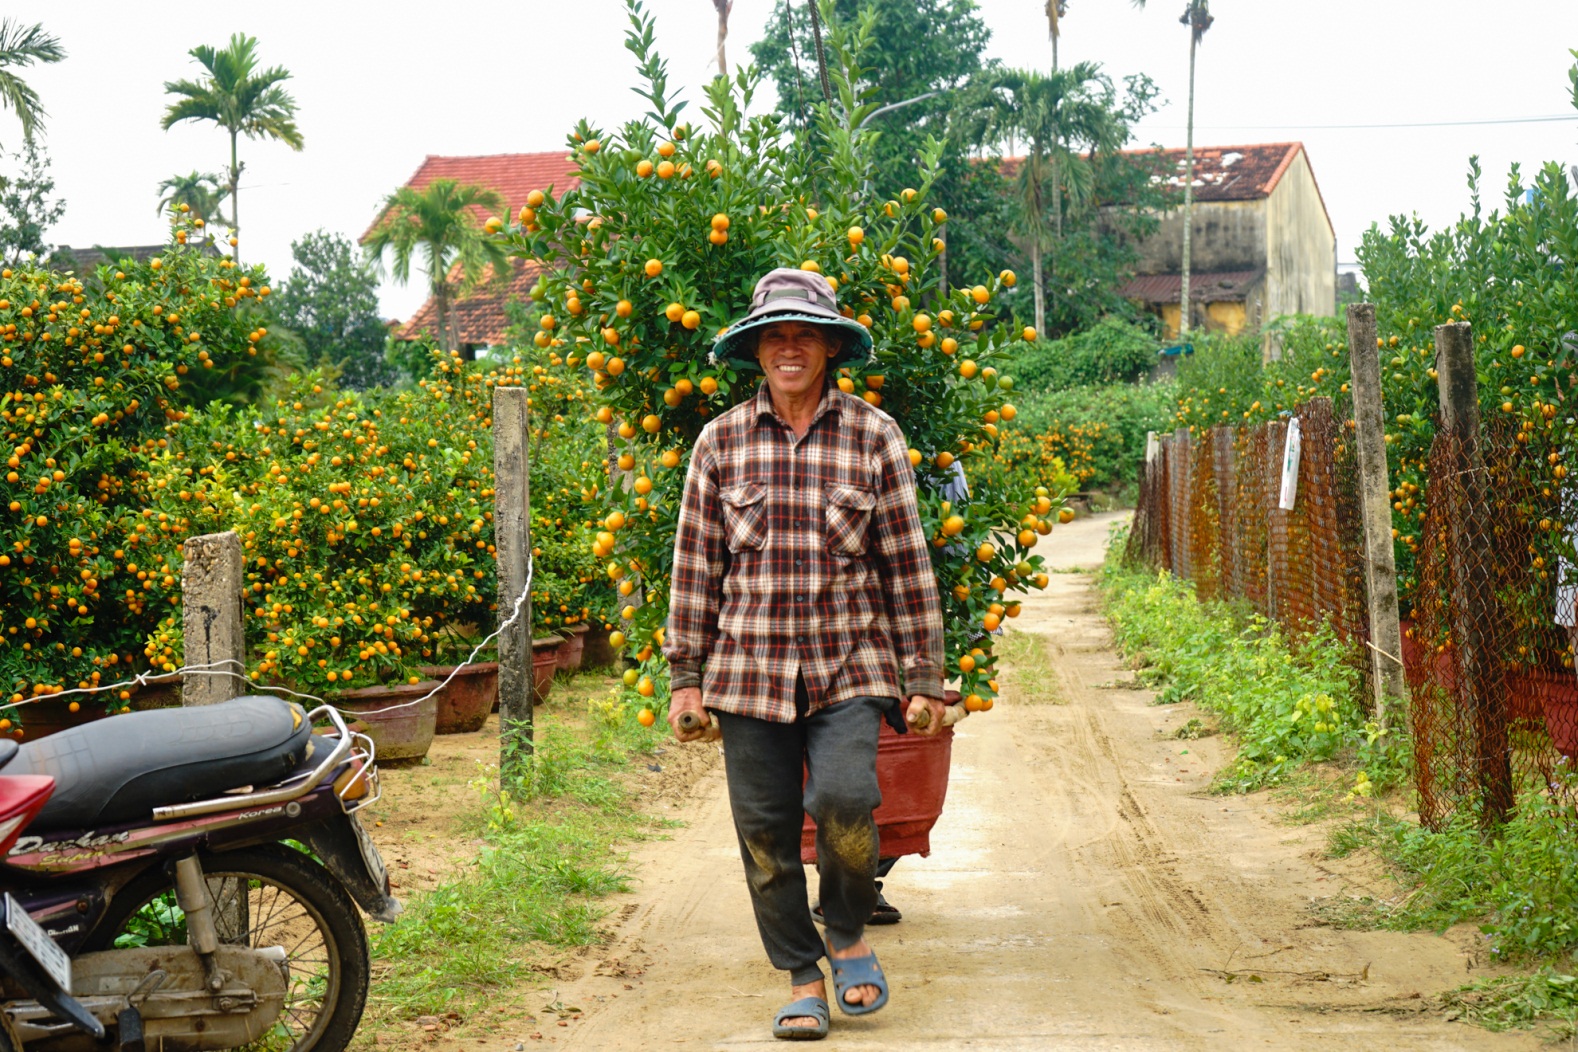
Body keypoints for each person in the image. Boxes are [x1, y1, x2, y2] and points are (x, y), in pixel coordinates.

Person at [663, 267, 948, 1041]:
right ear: (756, 349)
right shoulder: (720, 442)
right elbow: (695, 567)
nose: (790, 348)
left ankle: (848, 932)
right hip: (746, 672)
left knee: (847, 803)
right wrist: (684, 682)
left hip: (849, 664)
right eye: (776, 335)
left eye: (805, 334)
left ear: (829, 347)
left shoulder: (873, 436)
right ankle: (800, 972)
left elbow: (907, 563)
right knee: (764, 833)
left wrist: (924, 676)